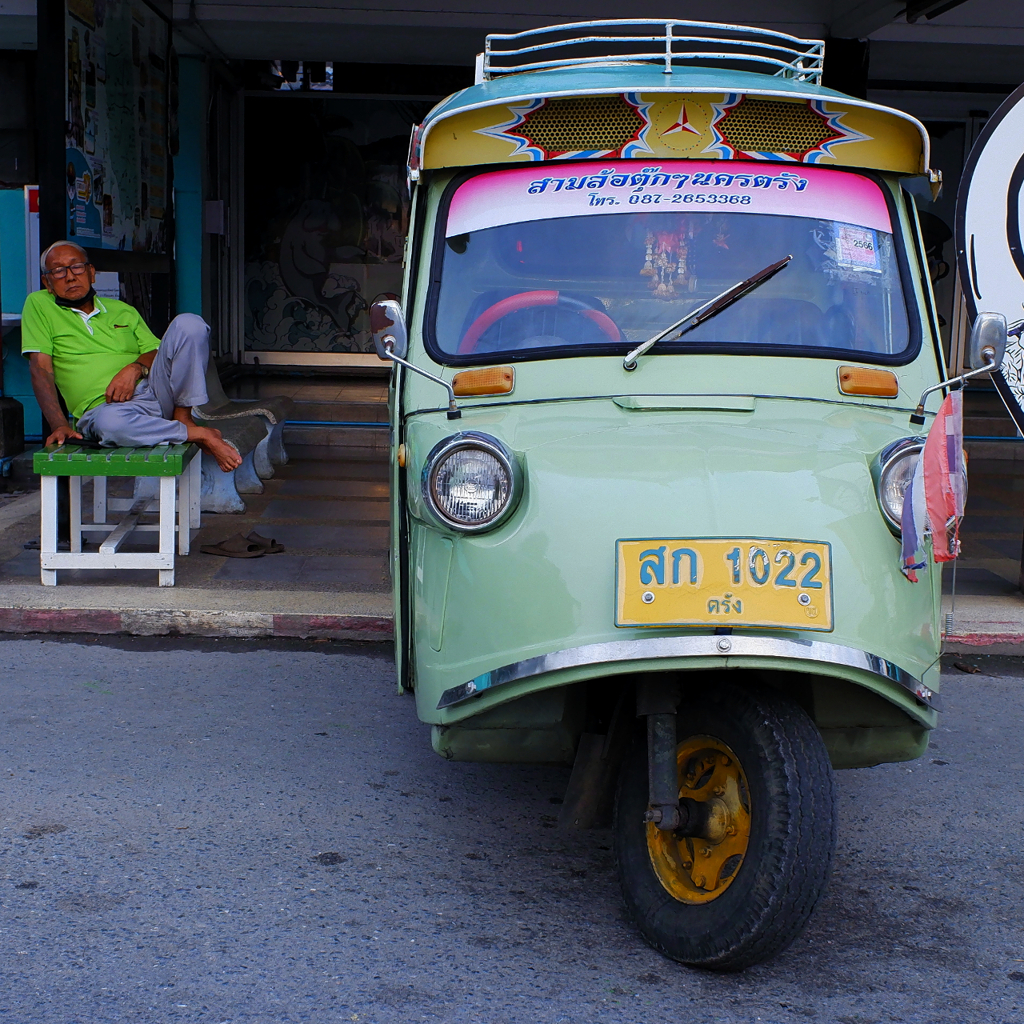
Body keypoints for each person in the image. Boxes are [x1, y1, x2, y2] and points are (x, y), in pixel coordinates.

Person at [21, 240, 242, 472]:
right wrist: (58, 425)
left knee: (190, 324)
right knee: (111, 426)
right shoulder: (39, 305)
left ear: (91, 273)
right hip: (107, 409)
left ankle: (183, 417)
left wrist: (135, 367)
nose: (70, 276)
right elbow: (40, 368)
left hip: (157, 392)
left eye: (76, 267)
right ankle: (197, 433)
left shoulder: (122, 310)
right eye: (58, 270)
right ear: (47, 282)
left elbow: (155, 351)